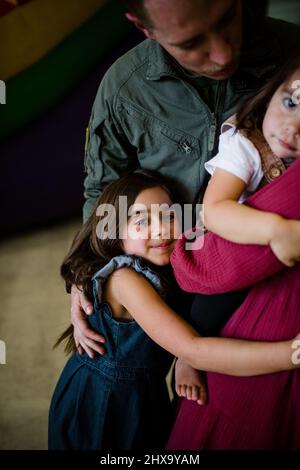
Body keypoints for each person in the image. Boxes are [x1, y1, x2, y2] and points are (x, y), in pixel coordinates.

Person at [72, 0, 300, 358]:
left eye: (227, 19)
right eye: (192, 43)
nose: (223, 55)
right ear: (145, 29)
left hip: (268, 269)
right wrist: (87, 272)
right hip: (163, 278)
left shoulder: (291, 53)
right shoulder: (124, 89)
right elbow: (103, 191)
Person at [49, 170, 299, 450]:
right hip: (103, 401)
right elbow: (193, 347)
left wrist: (183, 361)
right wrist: (290, 354)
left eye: (169, 216)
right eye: (142, 220)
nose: (161, 229)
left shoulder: (170, 270)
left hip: (146, 394)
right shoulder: (124, 280)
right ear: (115, 233)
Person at [166, 58, 300, 447]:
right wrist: (276, 230)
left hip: (268, 270)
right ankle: (187, 358)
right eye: (290, 103)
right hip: (220, 254)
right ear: (272, 92)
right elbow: (216, 209)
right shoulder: (245, 143)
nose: (291, 129)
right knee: (207, 314)